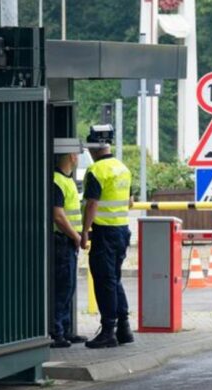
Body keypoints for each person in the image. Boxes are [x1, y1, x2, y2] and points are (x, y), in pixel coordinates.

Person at [80, 125, 134, 349]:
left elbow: (92, 204)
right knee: (114, 280)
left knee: (104, 282)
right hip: (122, 230)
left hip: (104, 233)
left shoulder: (96, 171)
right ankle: (124, 328)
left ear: (93, 148)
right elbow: (130, 201)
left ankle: (108, 332)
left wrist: (84, 231)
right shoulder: (123, 168)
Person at [51, 151, 87, 348]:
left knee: (68, 286)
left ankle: (64, 330)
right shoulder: (57, 180)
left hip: (68, 241)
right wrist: (76, 236)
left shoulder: (66, 179)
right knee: (63, 287)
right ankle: (57, 332)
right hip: (62, 241)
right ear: (72, 156)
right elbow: (58, 216)